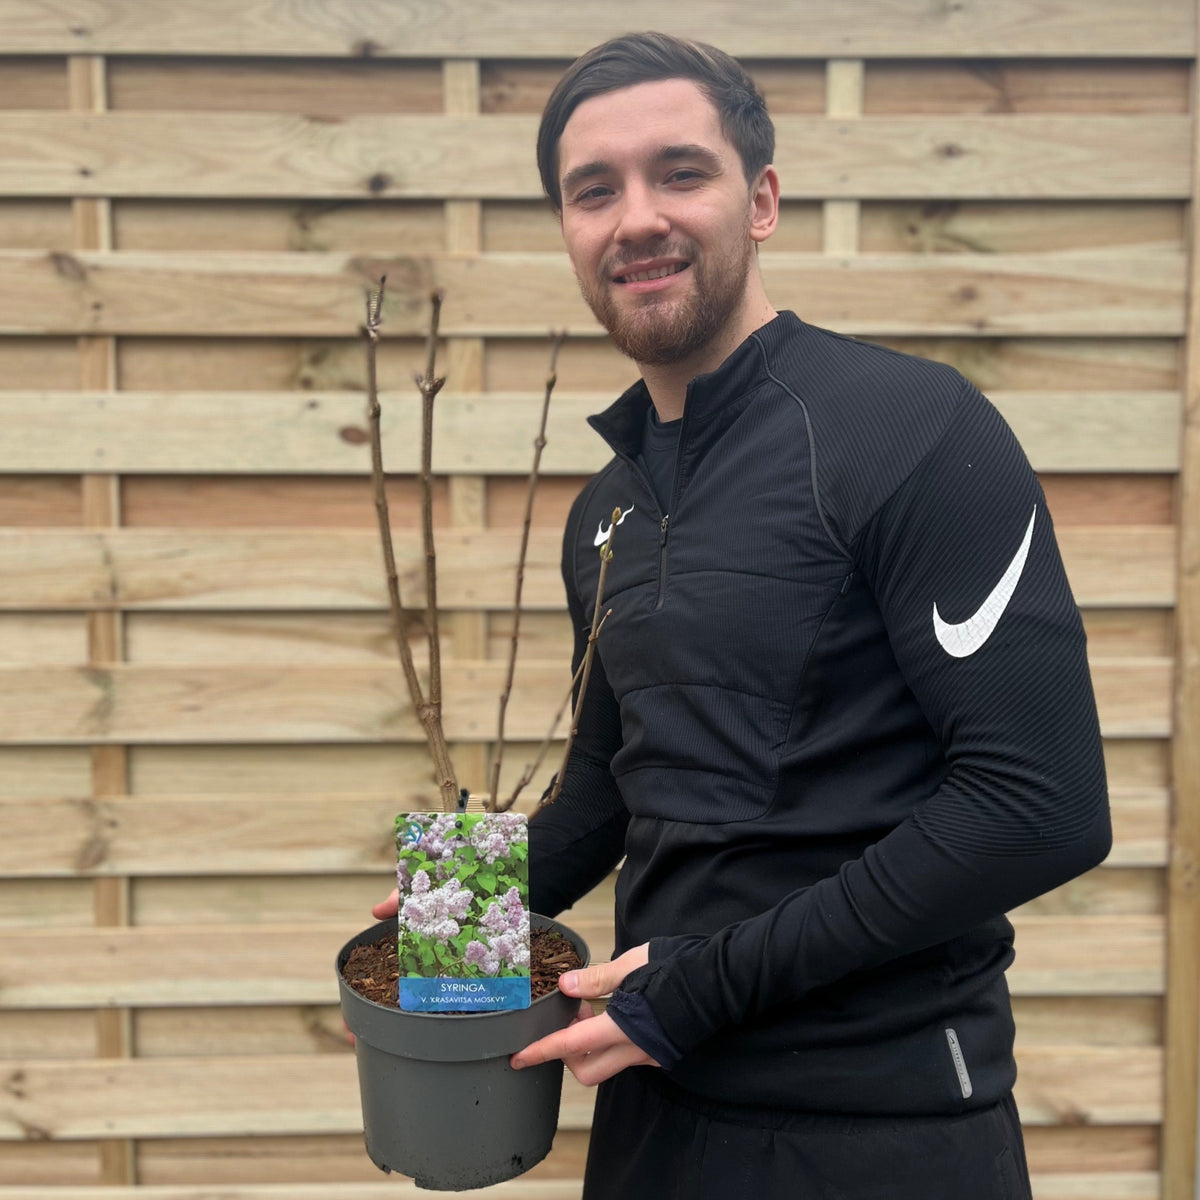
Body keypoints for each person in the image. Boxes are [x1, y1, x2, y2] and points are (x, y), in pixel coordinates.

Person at [378, 31, 1110, 1200]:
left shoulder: (912, 430)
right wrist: (460, 900)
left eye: (681, 172)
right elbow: (617, 786)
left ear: (760, 200)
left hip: (884, 1126)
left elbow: (1042, 808)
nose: (637, 218)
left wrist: (700, 987)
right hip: (656, 1102)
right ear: (568, 231)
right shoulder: (610, 507)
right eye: (594, 190)